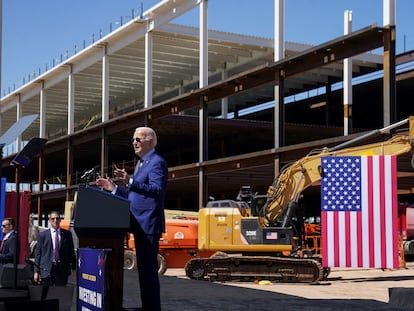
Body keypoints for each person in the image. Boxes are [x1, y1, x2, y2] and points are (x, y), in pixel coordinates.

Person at [96, 126, 168, 311]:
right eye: (133, 140)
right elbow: (135, 196)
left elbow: (157, 191)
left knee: (148, 272)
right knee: (143, 272)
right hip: (137, 222)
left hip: (147, 224)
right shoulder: (142, 164)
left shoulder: (156, 162)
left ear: (150, 142)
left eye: (138, 139)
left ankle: (152, 308)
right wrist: (113, 188)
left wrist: (129, 181)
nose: (134, 143)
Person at [33, 211, 76, 286]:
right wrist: (36, 271)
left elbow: (71, 252)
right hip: (46, 270)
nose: (55, 220)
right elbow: (38, 254)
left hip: (61, 269)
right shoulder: (43, 235)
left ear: (60, 220)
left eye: (57, 218)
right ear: (49, 220)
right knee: (47, 295)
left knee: (60, 293)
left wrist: (74, 268)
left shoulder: (67, 234)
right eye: (53, 219)